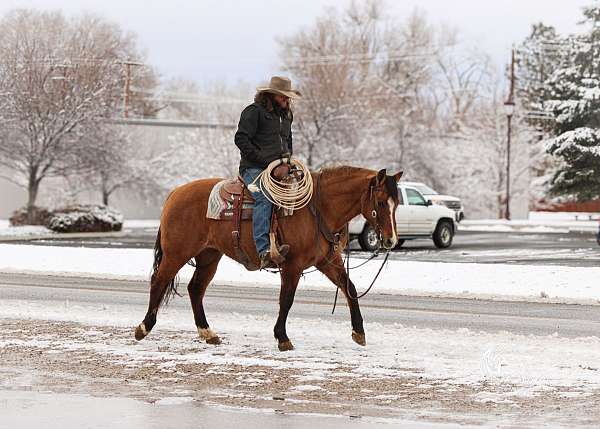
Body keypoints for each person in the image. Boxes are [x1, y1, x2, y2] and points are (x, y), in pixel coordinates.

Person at [234, 76, 302, 269]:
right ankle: (264, 250)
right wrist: (267, 162)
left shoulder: (286, 115)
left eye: (288, 98)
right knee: (264, 195)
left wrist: (287, 162)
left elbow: (287, 142)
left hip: (280, 168)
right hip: (253, 169)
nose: (287, 101)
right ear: (272, 95)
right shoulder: (254, 112)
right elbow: (241, 139)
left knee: (303, 193)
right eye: (283, 97)